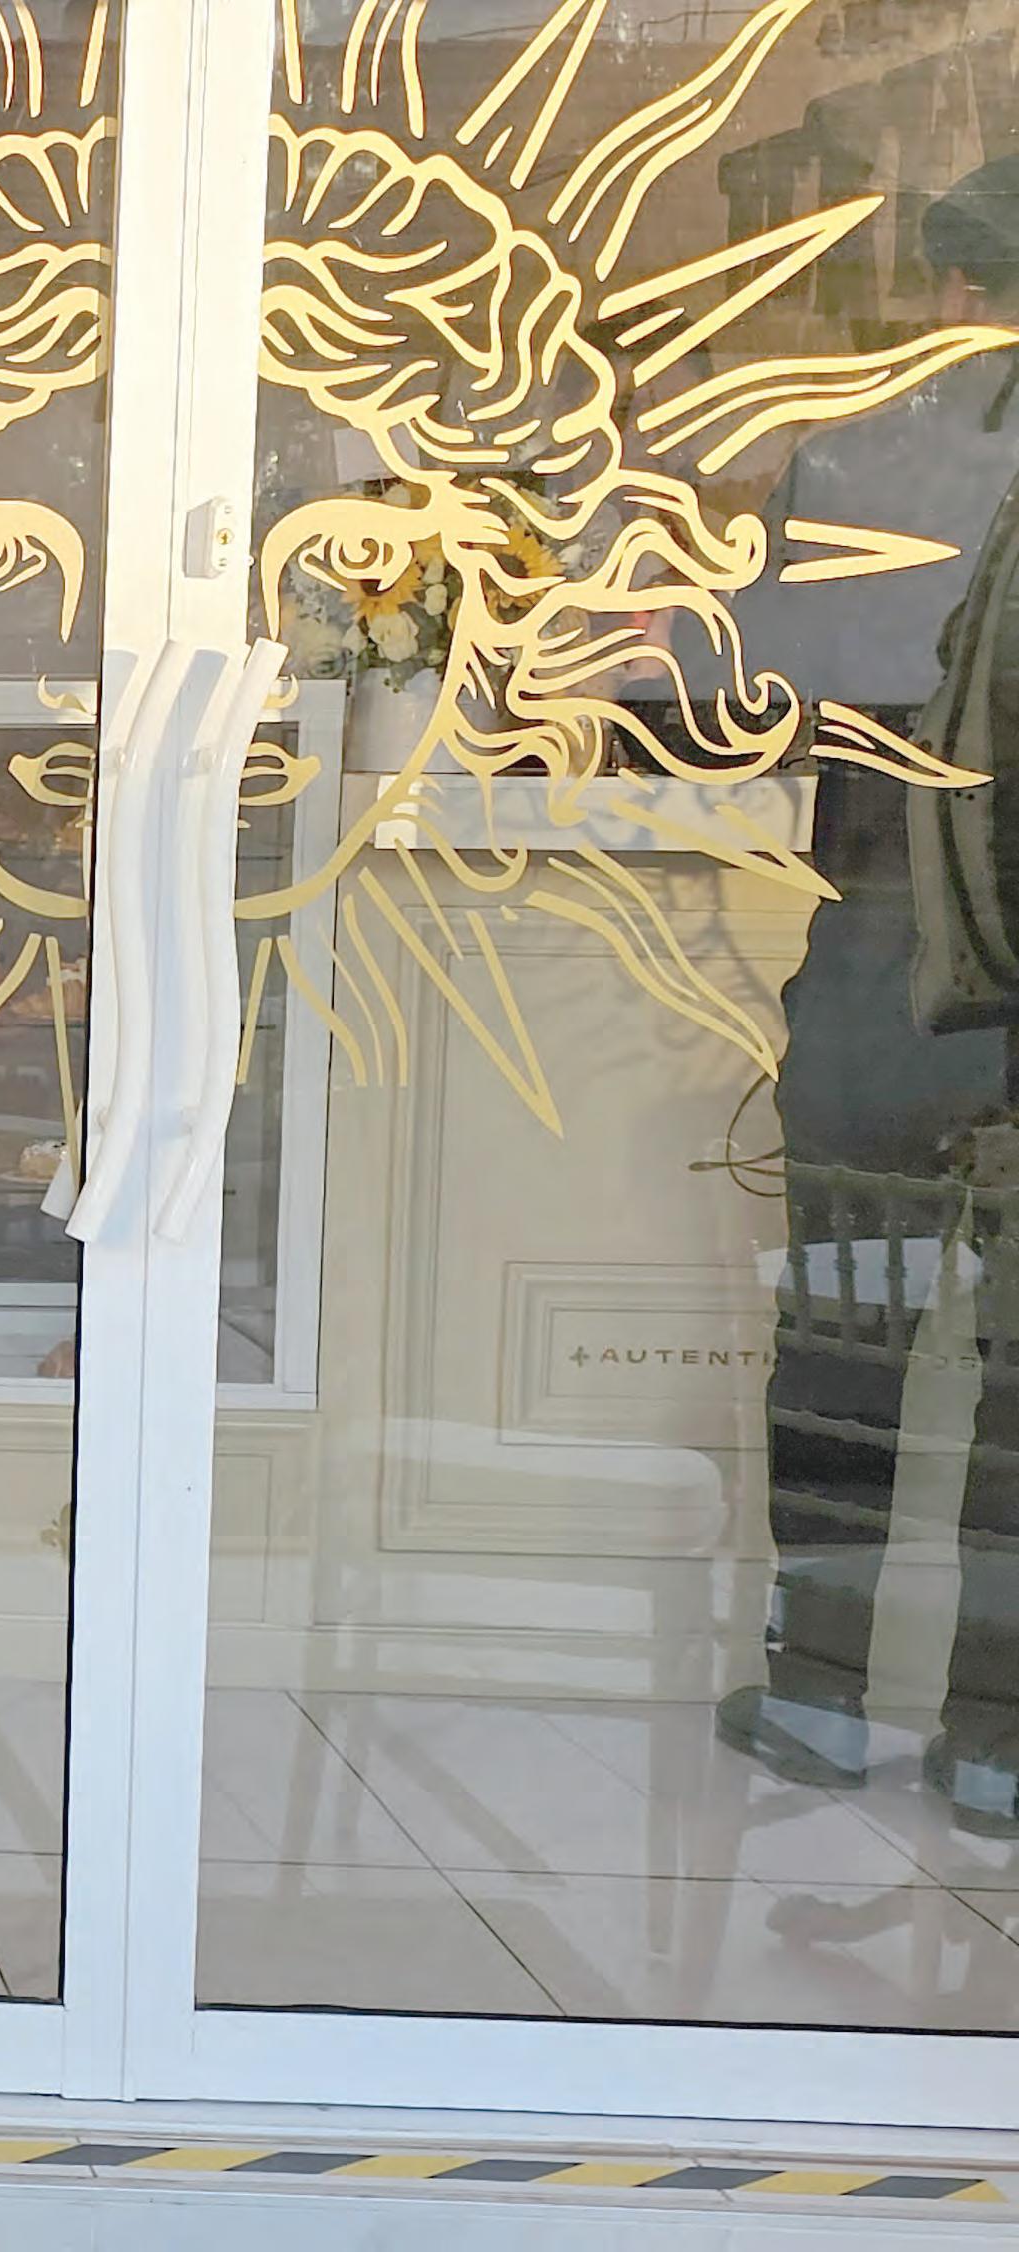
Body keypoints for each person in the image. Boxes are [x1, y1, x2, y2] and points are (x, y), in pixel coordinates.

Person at [714, 163, 1019, 1836]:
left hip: (888, 949)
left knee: (849, 1322)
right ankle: (998, 1741)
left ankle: (822, 1700)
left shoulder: (857, 457)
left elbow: (744, 684)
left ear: (958, 291)